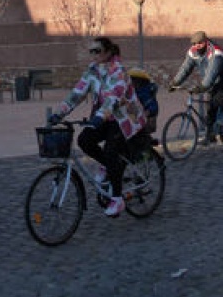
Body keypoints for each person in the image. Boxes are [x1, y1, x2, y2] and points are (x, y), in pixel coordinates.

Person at [47, 36, 150, 217]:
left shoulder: (118, 71)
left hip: (124, 120)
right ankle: (107, 166)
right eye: (91, 51)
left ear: (108, 53)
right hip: (104, 119)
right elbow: (76, 94)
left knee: (111, 151)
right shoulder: (92, 71)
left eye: (97, 51)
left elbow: (113, 99)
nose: (93, 55)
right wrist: (59, 113)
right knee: (84, 140)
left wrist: (99, 117)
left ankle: (117, 199)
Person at [168, 31, 223, 141]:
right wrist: (175, 83)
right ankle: (210, 136)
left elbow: (212, 73)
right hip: (211, 79)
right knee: (210, 107)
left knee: (218, 94)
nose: (197, 45)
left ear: (206, 41)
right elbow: (185, 69)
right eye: (194, 43)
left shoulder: (216, 53)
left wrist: (202, 87)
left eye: (200, 43)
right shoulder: (193, 52)